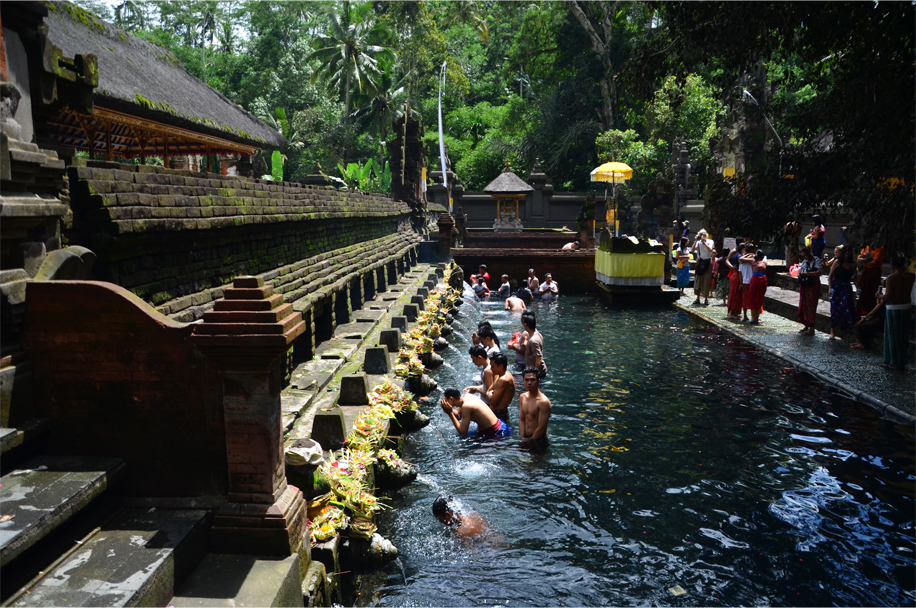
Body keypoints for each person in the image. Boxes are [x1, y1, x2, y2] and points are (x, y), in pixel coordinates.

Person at [883, 253, 915, 370]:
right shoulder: (911, 276)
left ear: (892, 265)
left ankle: (892, 361)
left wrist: (879, 296)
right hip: (906, 307)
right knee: (903, 335)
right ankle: (902, 361)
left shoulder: (891, 278)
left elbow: (888, 296)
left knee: (892, 335)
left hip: (894, 308)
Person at [440, 388, 512, 438]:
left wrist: (450, 413)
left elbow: (462, 432)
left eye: (445, 400)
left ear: (451, 399)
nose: (444, 402)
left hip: (495, 433)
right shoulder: (467, 396)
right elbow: (458, 416)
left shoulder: (466, 406)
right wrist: (450, 410)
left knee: (463, 439)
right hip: (499, 424)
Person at [828, 245, 859, 339]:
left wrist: (858, 289)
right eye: (845, 252)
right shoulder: (837, 262)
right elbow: (830, 276)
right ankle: (832, 330)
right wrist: (830, 288)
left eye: (849, 252)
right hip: (837, 286)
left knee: (846, 304)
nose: (847, 253)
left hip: (846, 287)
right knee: (834, 308)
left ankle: (849, 324)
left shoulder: (852, 264)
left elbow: (855, 278)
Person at [519, 367, 551, 444]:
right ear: (523, 381)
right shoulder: (522, 397)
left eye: (532, 380)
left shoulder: (543, 402)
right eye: (526, 380)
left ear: (538, 381)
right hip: (526, 438)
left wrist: (531, 441)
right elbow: (522, 419)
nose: (529, 383)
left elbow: (541, 428)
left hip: (539, 439)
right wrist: (522, 436)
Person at [796, 246, 823, 336]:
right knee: (804, 305)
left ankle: (812, 328)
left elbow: (819, 272)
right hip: (805, 285)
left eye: (805, 255)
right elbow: (800, 271)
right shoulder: (804, 262)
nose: (805, 258)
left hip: (813, 285)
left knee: (811, 306)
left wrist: (807, 273)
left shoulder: (816, 260)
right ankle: (806, 326)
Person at [856, 244, 885, 316]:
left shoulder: (880, 249)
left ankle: (870, 310)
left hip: (874, 272)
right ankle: (862, 309)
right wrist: (863, 260)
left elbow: (875, 262)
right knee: (863, 289)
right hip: (866, 270)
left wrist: (865, 262)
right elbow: (859, 258)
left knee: (871, 290)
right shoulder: (867, 247)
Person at [485, 353, 515, 422]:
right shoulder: (498, 375)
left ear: (500, 366)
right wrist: (490, 394)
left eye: (493, 366)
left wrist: (489, 394)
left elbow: (492, 401)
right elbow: (489, 390)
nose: (491, 369)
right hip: (495, 413)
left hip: (500, 415)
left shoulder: (504, 379)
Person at [742, 248, 768, 324]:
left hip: (760, 280)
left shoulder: (761, 261)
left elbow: (741, 259)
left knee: (758, 298)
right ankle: (754, 318)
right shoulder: (754, 261)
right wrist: (750, 255)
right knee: (753, 298)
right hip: (757, 280)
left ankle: (756, 318)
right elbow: (741, 259)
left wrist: (750, 255)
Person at [692, 229, 715, 305]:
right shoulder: (698, 242)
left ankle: (706, 298)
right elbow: (692, 250)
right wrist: (695, 241)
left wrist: (704, 242)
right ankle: (697, 298)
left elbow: (710, 250)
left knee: (706, 280)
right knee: (698, 280)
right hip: (700, 261)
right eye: (701, 235)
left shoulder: (710, 241)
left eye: (704, 235)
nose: (703, 236)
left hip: (707, 262)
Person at [521, 311, 547, 379]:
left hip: (536, 374)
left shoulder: (533, 340)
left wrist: (535, 376)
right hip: (534, 371)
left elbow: (538, 359)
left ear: (525, 325)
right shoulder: (537, 334)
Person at [726, 241, 745, 320]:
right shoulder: (739, 255)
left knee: (732, 293)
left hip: (733, 274)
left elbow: (727, 260)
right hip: (737, 276)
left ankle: (732, 312)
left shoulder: (734, 254)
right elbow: (741, 260)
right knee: (736, 294)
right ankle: (732, 313)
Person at [739, 242, 755, 322]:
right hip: (752, 281)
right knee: (753, 299)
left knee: (745, 299)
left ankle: (745, 315)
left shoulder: (742, 261)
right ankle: (753, 316)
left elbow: (740, 273)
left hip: (745, 281)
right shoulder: (754, 259)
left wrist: (740, 283)